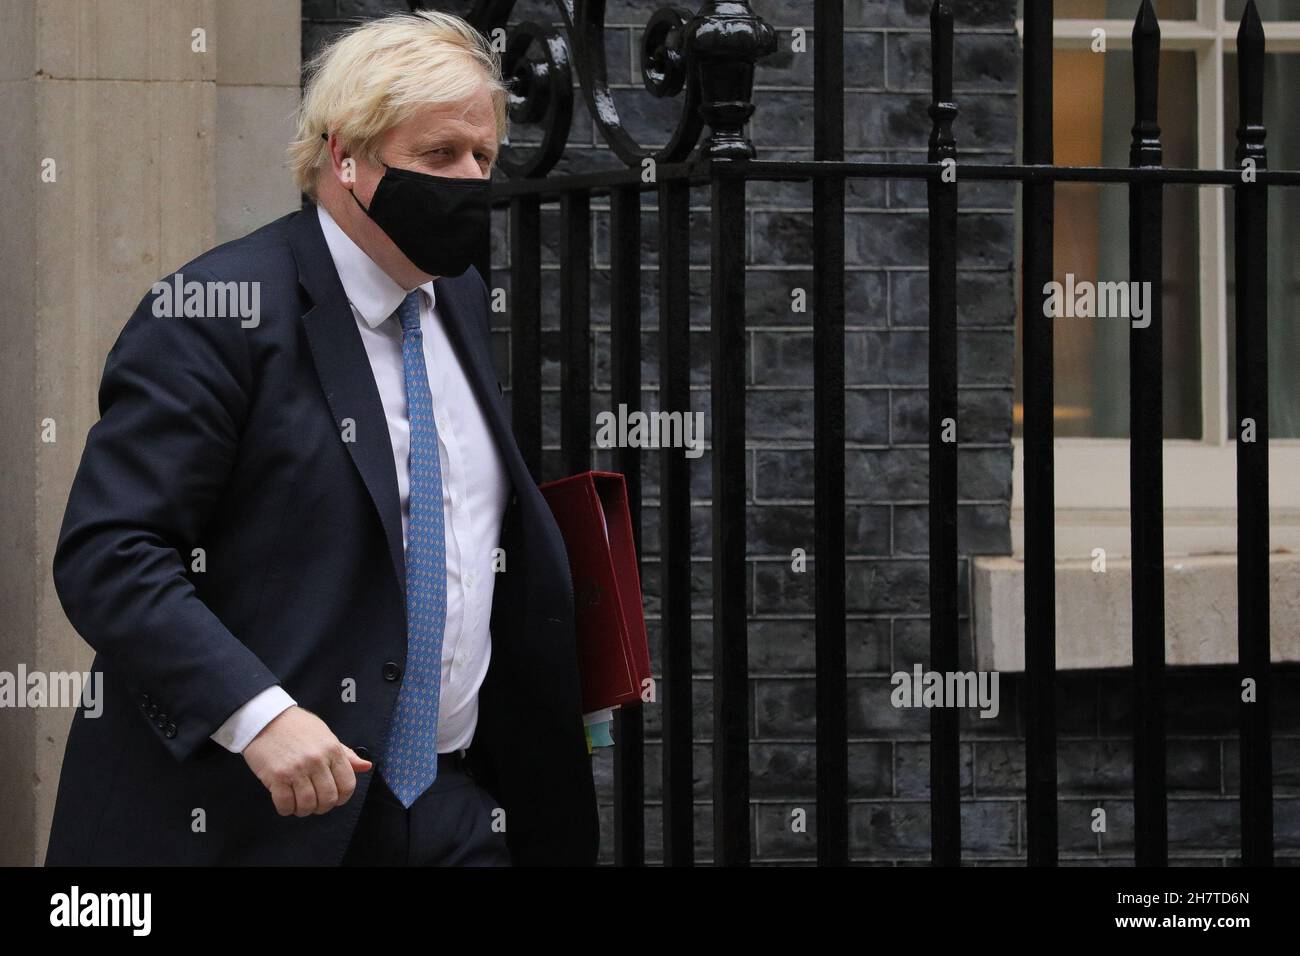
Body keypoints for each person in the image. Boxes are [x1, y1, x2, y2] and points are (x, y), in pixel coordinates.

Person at [44, 10, 598, 866]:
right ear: (345, 156)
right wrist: (258, 714)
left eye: (483, 157)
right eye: (439, 156)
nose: (470, 180)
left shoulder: (457, 303)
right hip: (260, 818)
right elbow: (110, 553)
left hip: (450, 806)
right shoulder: (214, 314)